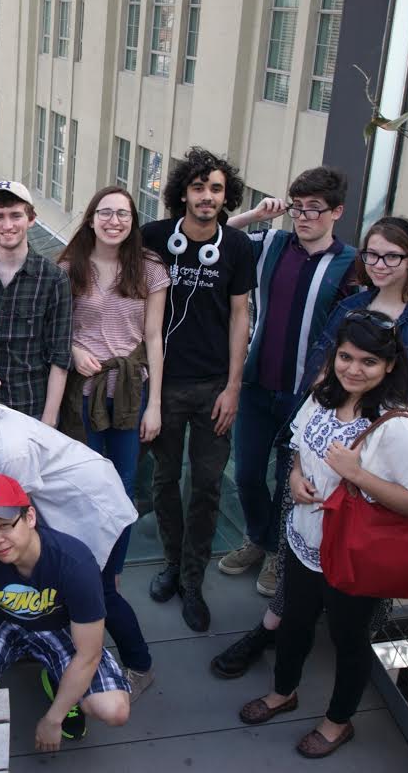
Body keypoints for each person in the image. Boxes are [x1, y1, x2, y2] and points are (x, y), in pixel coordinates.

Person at [211, 215, 408, 678]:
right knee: (298, 551)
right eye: (372, 254)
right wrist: (302, 449)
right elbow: (320, 377)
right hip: (323, 449)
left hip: (379, 469)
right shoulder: (353, 306)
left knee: (363, 567)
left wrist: (381, 464)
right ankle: (274, 628)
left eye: (392, 255)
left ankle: (342, 668)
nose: (380, 264)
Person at [237, 311, 408, 758]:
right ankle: (283, 692)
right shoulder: (323, 395)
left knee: (349, 641)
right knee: (293, 624)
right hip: (305, 541)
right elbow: (297, 448)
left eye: (369, 362)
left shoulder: (399, 427)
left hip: (352, 554)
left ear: (389, 366)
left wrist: (357, 475)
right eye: (346, 356)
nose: (354, 368)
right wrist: (294, 478)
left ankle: (338, 721)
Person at [0, 380, 155, 700]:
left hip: (93, 507)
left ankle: (139, 666)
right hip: (64, 507)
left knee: (103, 592)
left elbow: (10, 518)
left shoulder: (6, 449)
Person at [218, 167, 358, 598]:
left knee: (290, 479)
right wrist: (256, 215)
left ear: (336, 212)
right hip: (258, 384)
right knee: (245, 474)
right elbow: (217, 237)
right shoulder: (271, 244)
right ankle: (258, 539)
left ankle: (280, 553)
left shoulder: (351, 265)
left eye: (315, 209)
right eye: (298, 207)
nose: (303, 217)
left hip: (309, 397)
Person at [140, 147, 254, 633]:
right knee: (165, 482)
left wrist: (233, 388)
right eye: (199, 187)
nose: (207, 197)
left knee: (205, 487)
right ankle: (170, 562)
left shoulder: (237, 247)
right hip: (164, 384)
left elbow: (240, 318)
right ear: (182, 192)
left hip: (212, 388)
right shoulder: (154, 237)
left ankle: (193, 579)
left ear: (226, 198)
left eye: (216, 189)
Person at [0, 474, 132, 752]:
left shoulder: (74, 563)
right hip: (1, 620)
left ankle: (57, 679)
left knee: (114, 709)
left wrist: (53, 720)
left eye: (6, 525)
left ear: (30, 517)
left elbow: (89, 653)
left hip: (56, 626)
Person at [56, 184, 165, 576]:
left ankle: (111, 574)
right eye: (105, 212)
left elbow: (153, 336)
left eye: (123, 214)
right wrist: (71, 350)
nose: (113, 221)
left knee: (123, 486)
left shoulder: (150, 266)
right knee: (82, 485)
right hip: (82, 394)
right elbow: (56, 328)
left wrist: (155, 405)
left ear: (133, 221)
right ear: (91, 219)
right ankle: (81, 568)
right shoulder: (69, 267)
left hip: (130, 395)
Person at [0, 180, 72, 425]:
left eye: (16, 215)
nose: (7, 225)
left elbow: (60, 356)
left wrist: (49, 420)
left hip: (30, 404)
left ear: (31, 219)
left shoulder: (53, 279)